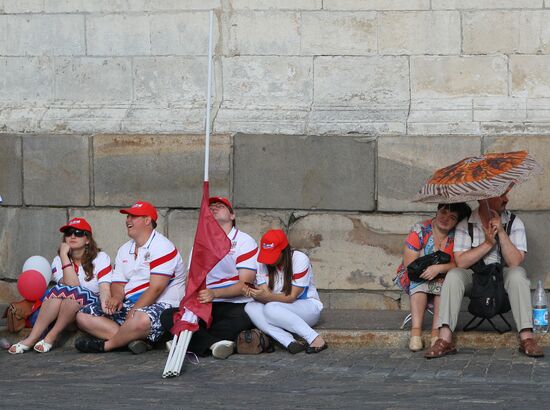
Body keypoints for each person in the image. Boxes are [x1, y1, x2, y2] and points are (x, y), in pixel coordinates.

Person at [426, 189, 544, 358]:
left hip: (502, 276)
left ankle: (527, 338)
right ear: (483, 199)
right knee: (454, 275)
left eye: (506, 195)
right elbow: (461, 262)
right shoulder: (465, 223)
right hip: (475, 277)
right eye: (501, 195)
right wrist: (487, 244)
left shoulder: (514, 222)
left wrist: (502, 233)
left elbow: (515, 261)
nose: (506, 199)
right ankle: (444, 340)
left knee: (518, 273)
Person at [74, 201, 185, 354]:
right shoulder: (125, 249)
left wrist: (133, 312)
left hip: (163, 304)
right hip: (132, 304)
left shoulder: (163, 246)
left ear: (147, 220)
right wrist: (117, 298)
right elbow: (118, 283)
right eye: (127, 217)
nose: (128, 220)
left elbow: (156, 289)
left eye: (133, 216)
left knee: (140, 320)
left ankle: (108, 345)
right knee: (83, 315)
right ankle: (134, 340)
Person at [161, 196, 257, 359]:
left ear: (232, 216)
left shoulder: (244, 241)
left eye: (220, 206)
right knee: (168, 316)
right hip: (204, 304)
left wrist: (215, 293)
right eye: (211, 207)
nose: (214, 208)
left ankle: (188, 342)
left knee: (244, 318)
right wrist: (193, 300)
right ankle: (214, 344)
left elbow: (245, 284)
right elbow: (190, 278)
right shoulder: (201, 243)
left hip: (233, 303)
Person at [9, 218, 112, 354]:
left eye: (78, 233)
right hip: (68, 309)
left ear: (87, 239)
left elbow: (101, 287)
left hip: (92, 307)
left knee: (66, 292)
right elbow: (71, 286)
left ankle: (51, 335)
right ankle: (32, 338)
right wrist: (64, 256)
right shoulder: (58, 260)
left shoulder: (100, 258)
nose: (73, 236)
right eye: (68, 233)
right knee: (63, 295)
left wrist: (107, 306)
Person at [394, 203, 471, 352]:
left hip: (444, 276)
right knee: (419, 285)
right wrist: (429, 271)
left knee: (444, 286)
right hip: (415, 274)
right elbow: (410, 265)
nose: (446, 218)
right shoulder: (420, 230)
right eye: (443, 212)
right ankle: (415, 333)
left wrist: (439, 268)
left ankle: (436, 333)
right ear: (437, 211)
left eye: (452, 217)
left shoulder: (458, 236)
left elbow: (460, 264)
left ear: (457, 222)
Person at [243, 229, 327, 354]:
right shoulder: (260, 261)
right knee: (250, 306)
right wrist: (255, 294)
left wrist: (266, 296)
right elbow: (265, 295)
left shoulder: (299, 259)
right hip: (277, 308)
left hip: (307, 307)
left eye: (273, 255)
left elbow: (292, 296)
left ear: (284, 250)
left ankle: (315, 339)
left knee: (271, 308)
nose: (268, 260)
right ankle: (289, 341)